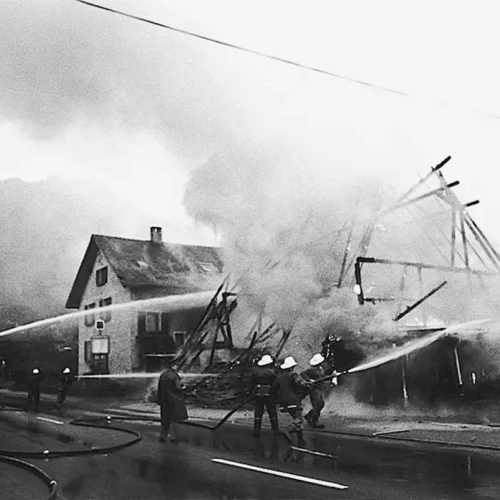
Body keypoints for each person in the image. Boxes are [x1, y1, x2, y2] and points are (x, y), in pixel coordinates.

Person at [276, 356, 311, 447]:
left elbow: (274, 388)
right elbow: (300, 384)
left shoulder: (279, 377)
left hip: (284, 402)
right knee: (299, 419)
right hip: (293, 400)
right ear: (292, 367)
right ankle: (288, 430)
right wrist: (307, 384)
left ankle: (300, 440)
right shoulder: (293, 375)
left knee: (296, 418)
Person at [157, 362, 188, 443]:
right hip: (174, 400)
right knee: (174, 419)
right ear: (173, 366)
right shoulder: (174, 376)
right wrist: (184, 387)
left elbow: (159, 388)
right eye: (176, 365)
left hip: (164, 399)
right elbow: (178, 387)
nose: (177, 367)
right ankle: (173, 437)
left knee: (165, 418)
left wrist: (159, 399)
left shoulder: (163, 375)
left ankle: (163, 436)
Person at [250, 354, 279, 438]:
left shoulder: (256, 372)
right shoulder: (271, 373)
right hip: (269, 393)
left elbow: (251, 383)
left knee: (258, 412)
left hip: (258, 393)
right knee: (272, 411)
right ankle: (275, 429)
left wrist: (253, 392)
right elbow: (276, 384)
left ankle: (257, 430)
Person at [301, 353, 326, 429]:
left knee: (321, 404)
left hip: (319, 388)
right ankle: (314, 422)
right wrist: (309, 380)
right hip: (314, 389)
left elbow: (322, 377)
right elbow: (303, 373)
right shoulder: (312, 370)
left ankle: (309, 416)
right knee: (317, 404)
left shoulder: (320, 369)